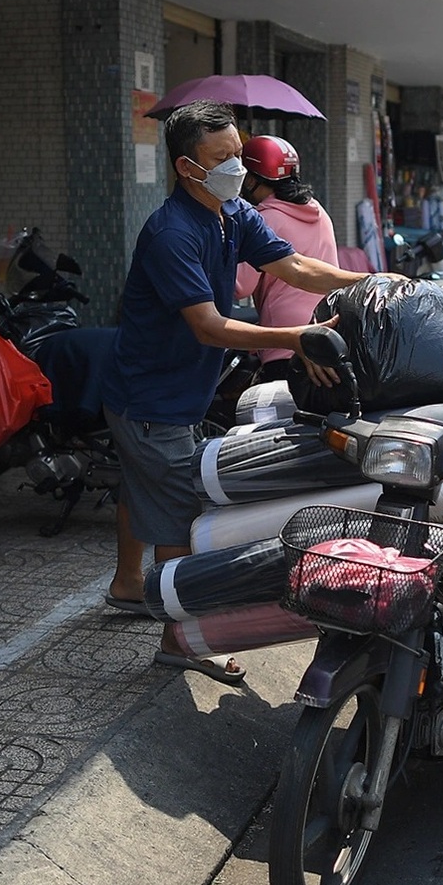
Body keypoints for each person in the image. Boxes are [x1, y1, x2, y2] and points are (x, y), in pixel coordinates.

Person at [101, 101, 369, 681]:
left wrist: (370, 283)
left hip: (172, 394)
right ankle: (180, 642)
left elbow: (294, 266)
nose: (236, 169)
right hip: (152, 399)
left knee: (150, 489)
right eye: (220, 159)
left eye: (237, 156)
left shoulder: (233, 212)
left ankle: (129, 588)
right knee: (181, 522)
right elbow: (210, 326)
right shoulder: (171, 231)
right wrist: (296, 336)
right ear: (185, 167)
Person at [233, 135, 340, 382]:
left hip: (285, 337)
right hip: (327, 331)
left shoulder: (262, 218)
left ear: (250, 179)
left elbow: (240, 286)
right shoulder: (319, 211)